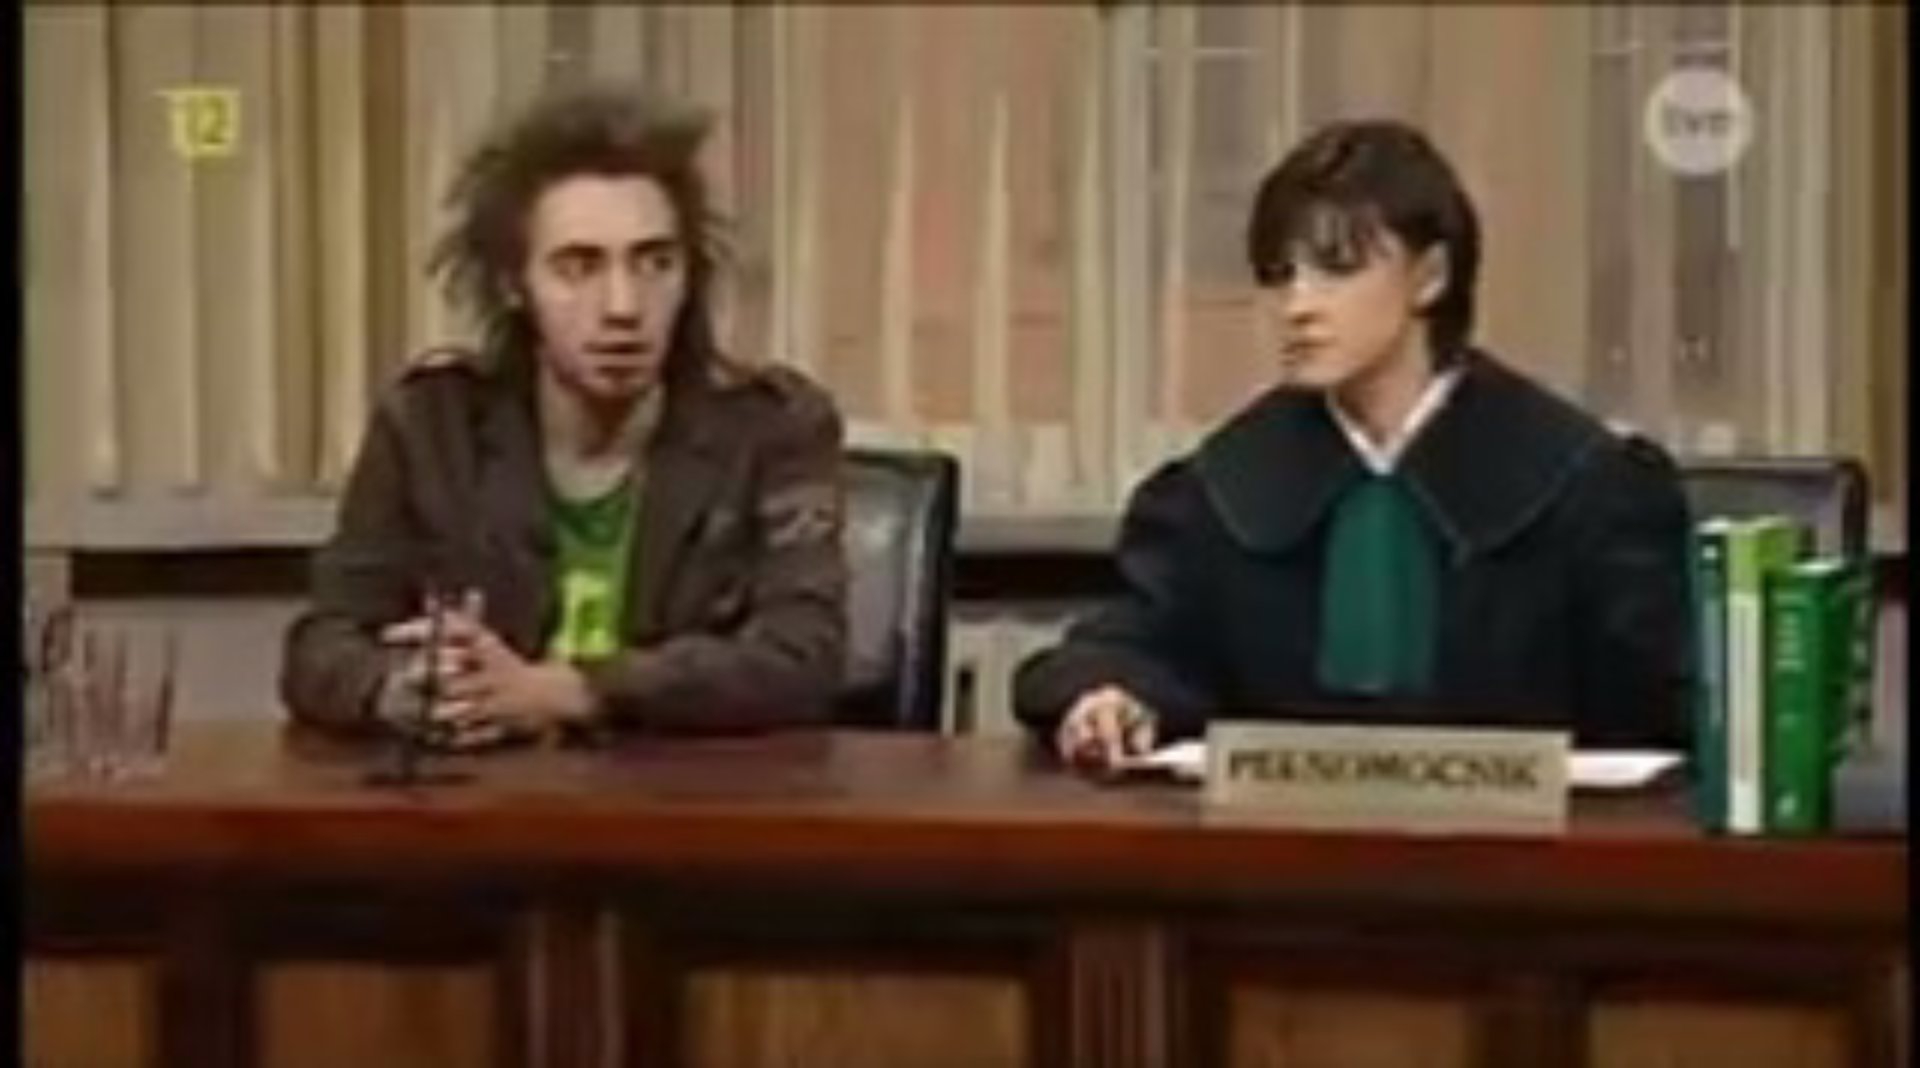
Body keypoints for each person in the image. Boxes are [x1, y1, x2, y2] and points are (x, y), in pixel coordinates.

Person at [1014, 119, 1694, 773]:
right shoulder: (1218, 490)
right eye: (1281, 274)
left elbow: (1660, 710)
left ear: (1431, 277)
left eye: (1337, 269)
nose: (1298, 306)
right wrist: (1111, 696)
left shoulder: (1584, 486)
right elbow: (1133, 643)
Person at [280, 85, 847, 748]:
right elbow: (321, 647)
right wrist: (405, 687)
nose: (623, 306)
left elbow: (804, 658)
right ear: (513, 285)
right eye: (579, 267)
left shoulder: (775, 428)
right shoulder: (431, 427)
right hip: (485, 799)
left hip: (690, 800)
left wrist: (570, 690)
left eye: (655, 263)